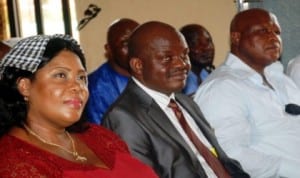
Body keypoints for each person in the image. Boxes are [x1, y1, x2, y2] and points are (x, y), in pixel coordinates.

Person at [102, 21, 249, 178]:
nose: (182, 64)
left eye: (184, 55)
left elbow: (223, 162)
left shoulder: (186, 103)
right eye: (167, 58)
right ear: (138, 65)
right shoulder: (124, 117)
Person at [0, 34, 158, 178]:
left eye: (82, 78)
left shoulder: (100, 136)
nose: (78, 86)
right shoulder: (13, 163)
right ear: (25, 86)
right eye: (61, 75)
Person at [194, 8, 300, 178]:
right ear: (236, 38)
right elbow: (231, 154)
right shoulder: (223, 88)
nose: (274, 38)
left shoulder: (280, 79)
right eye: (263, 31)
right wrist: (292, 169)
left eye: (277, 32)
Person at [85, 18, 139, 124]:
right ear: (108, 49)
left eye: (138, 42)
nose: (134, 49)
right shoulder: (95, 88)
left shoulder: (155, 75)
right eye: (125, 43)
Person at [180, 24, 215, 97]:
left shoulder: (212, 75)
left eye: (208, 42)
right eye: (195, 43)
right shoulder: (178, 78)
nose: (207, 48)